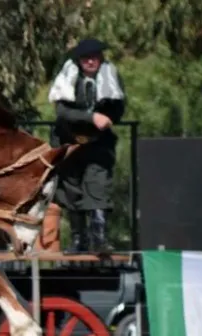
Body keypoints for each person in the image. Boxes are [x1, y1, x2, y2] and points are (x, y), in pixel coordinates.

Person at [47, 38, 126, 253]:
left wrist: (106, 118)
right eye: (85, 58)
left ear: (100, 58)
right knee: (71, 191)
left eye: (94, 57)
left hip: (98, 144)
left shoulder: (111, 74)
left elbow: (118, 107)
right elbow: (63, 113)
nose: (90, 61)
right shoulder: (68, 77)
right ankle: (78, 241)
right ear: (79, 60)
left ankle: (100, 240)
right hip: (69, 143)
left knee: (97, 187)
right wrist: (91, 118)